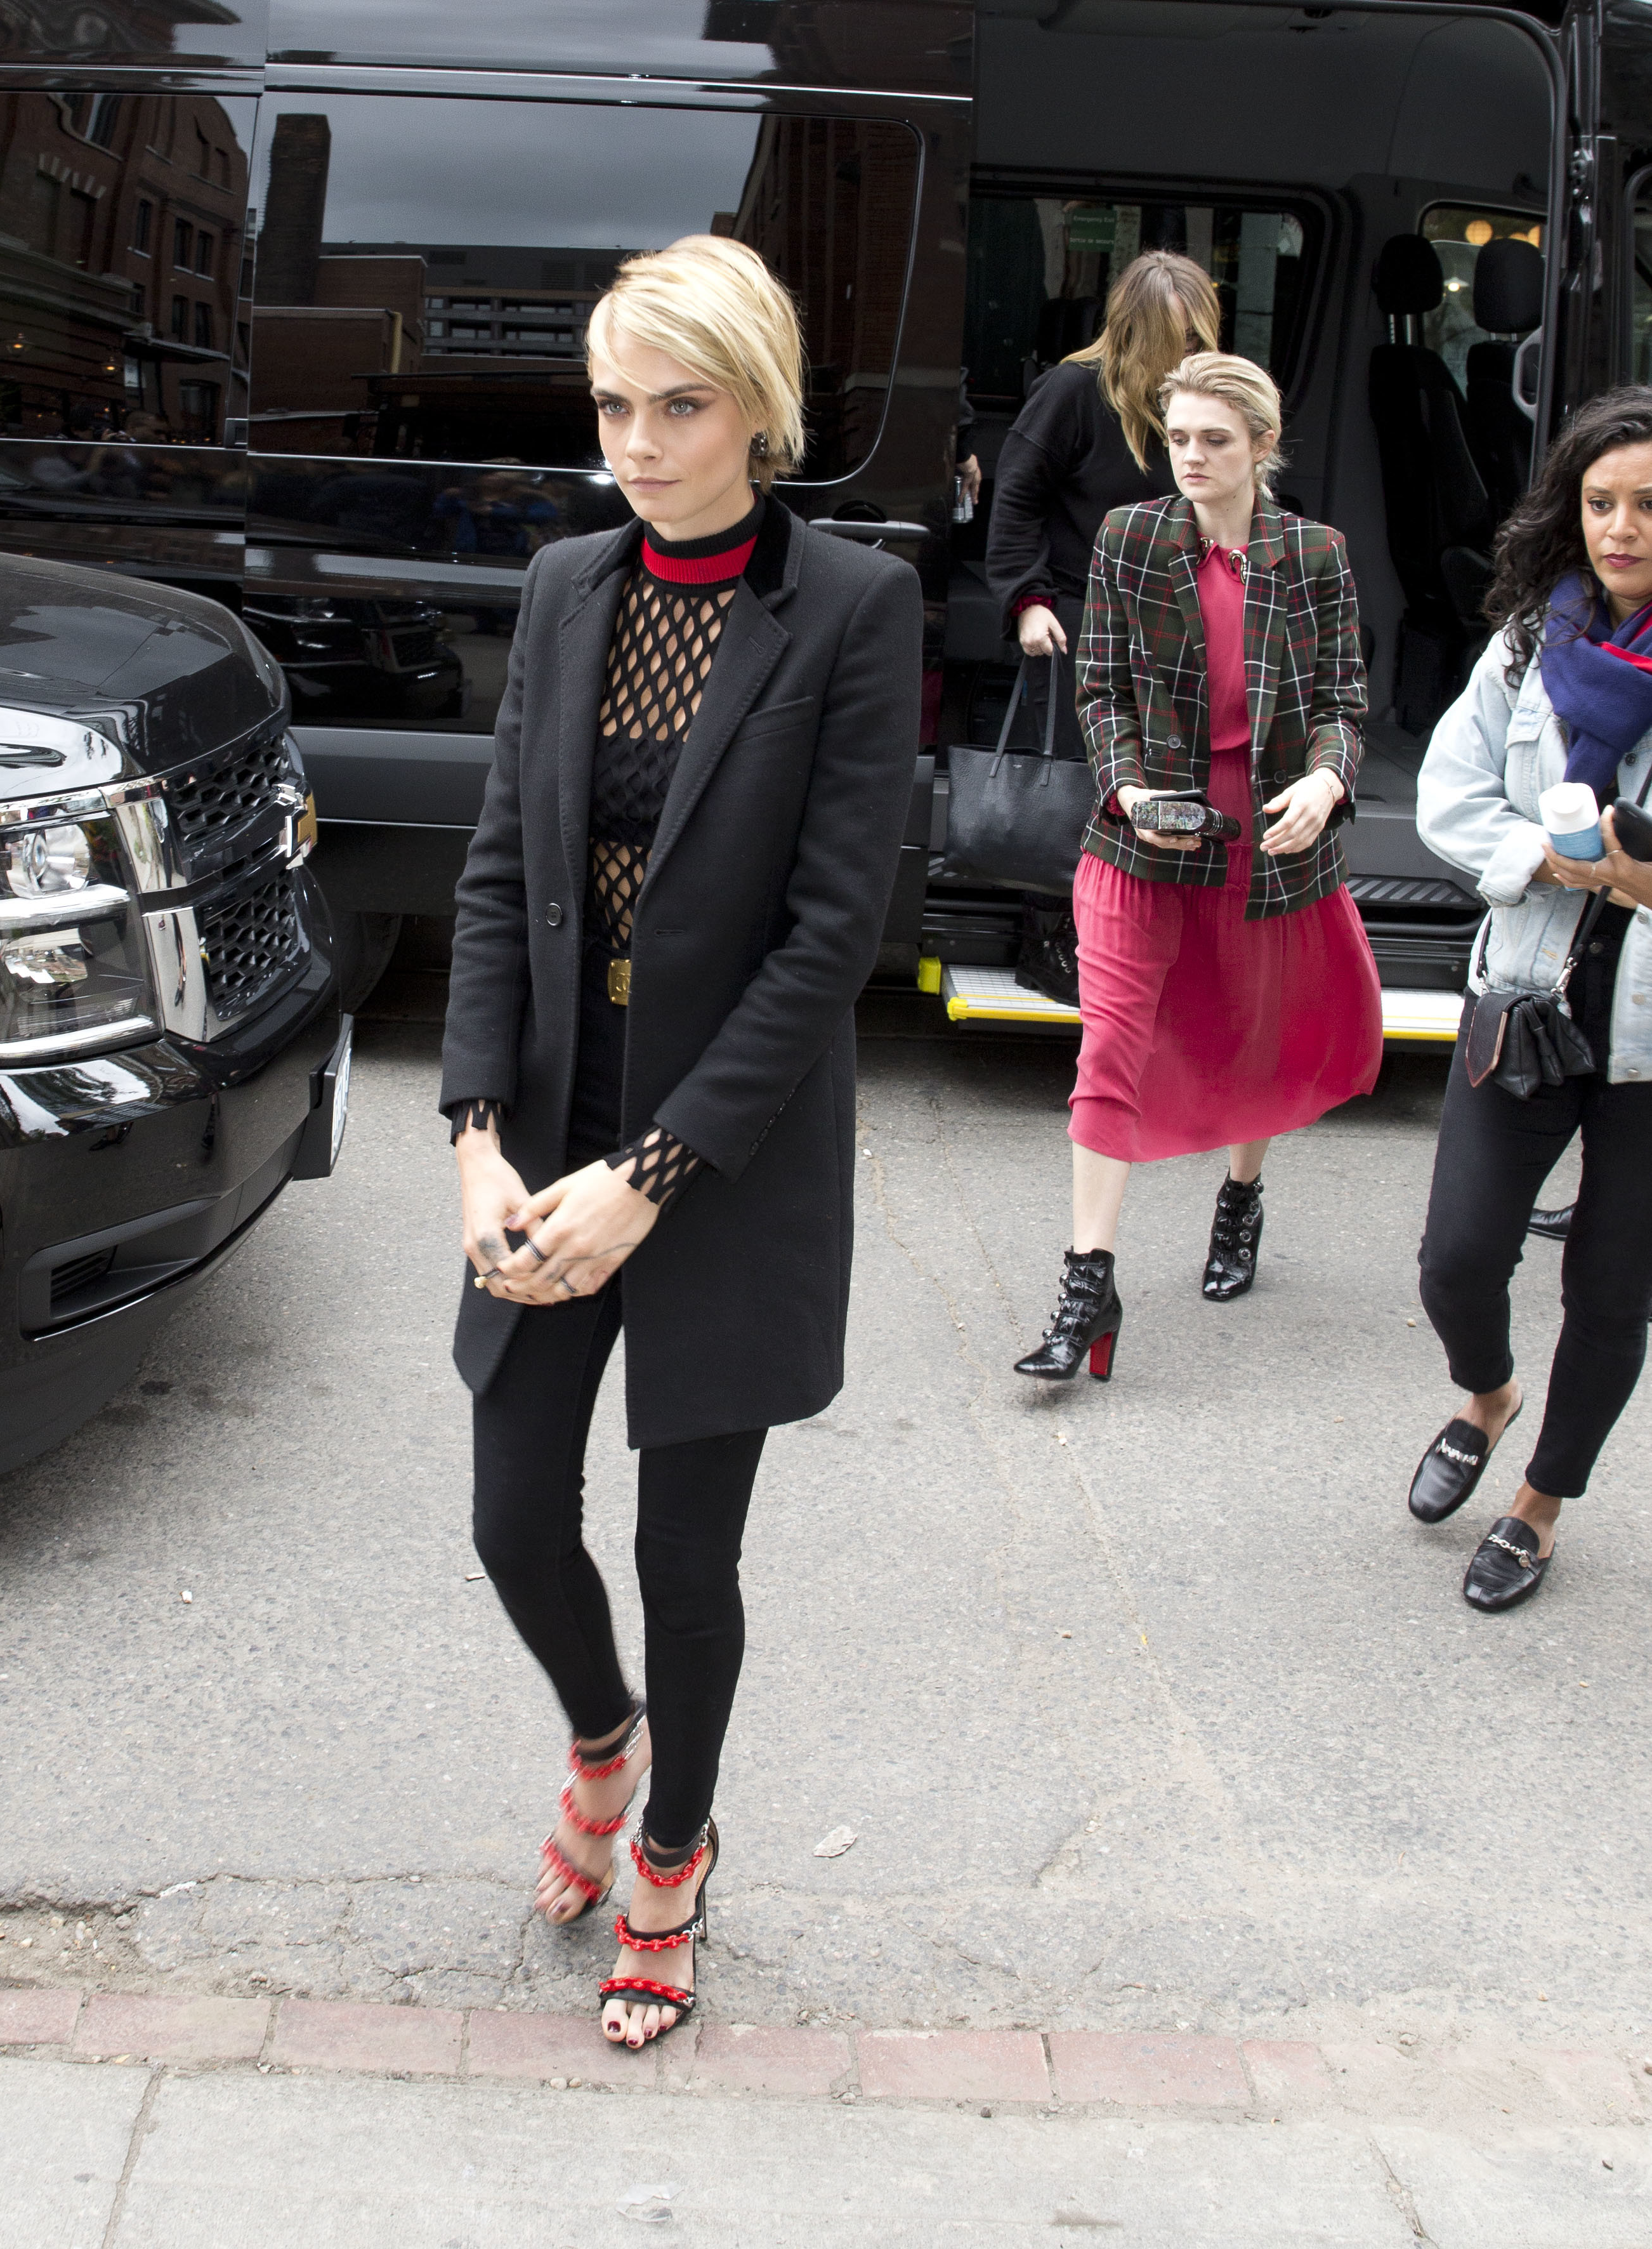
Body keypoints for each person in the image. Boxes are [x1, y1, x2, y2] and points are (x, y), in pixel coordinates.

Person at [440, 235, 921, 2047]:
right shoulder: (567, 585)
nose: (635, 444)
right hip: (553, 1116)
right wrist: (477, 1138)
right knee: (511, 1516)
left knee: (683, 1560)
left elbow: (828, 940)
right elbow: (499, 875)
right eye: (611, 406)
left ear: (757, 410)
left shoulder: (851, 606)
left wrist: (651, 1180)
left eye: (677, 405)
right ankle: (600, 1736)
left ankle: (671, 1852)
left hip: (728, 1146)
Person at [1014, 351, 1382, 1381]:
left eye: (1214, 439)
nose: (1190, 456)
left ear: (1263, 445)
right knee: (1109, 1046)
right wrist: (1129, 790)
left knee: (1248, 1034)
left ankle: (1240, 1197)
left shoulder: (1313, 555)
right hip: (1139, 832)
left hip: (1265, 837)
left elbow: (1343, 704)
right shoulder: (1130, 538)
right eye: (1177, 437)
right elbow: (1100, 691)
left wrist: (1325, 783)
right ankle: (1088, 1281)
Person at [1406, 386, 1652, 1612]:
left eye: (1648, 504)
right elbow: (1448, 800)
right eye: (1600, 502)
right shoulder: (1524, 648)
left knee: (1611, 1293)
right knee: (1456, 1261)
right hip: (1524, 995)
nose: (1622, 528)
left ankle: (1540, 1504)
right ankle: (1489, 1392)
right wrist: (1556, 862)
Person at [986, 250, 1221, 703]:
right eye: (1174, 339)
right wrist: (1028, 601)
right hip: (1081, 617)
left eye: (1195, 339)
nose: (1186, 352)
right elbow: (1017, 499)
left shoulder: (1203, 400)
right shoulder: (1073, 389)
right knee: (1082, 751)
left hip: (1178, 621)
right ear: (1135, 330)